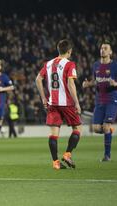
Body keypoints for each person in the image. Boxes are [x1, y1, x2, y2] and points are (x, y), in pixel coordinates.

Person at [35, 39, 82, 170]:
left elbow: (38, 79)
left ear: (58, 49)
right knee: (78, 129)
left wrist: (44, 98)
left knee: (54, 133)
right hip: (66, 103)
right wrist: (77, 103)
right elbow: (71, 84)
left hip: (52, 103)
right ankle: (67, 154)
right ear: (69, 51)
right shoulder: (69, 64)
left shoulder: (48, 64)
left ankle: (55, 162)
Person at [82, 40, 117, 162]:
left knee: (106, 126)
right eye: (101, 48)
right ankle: (108, 130)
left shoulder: (116, 66)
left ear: (110, 52)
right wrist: (88, 84)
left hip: (112, 99)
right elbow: (96, 81)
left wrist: (116, 83)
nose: (102, 50)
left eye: (105, 48)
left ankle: (107, 155)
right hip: (99, 100)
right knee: (97, 128)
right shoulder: (96, 65)